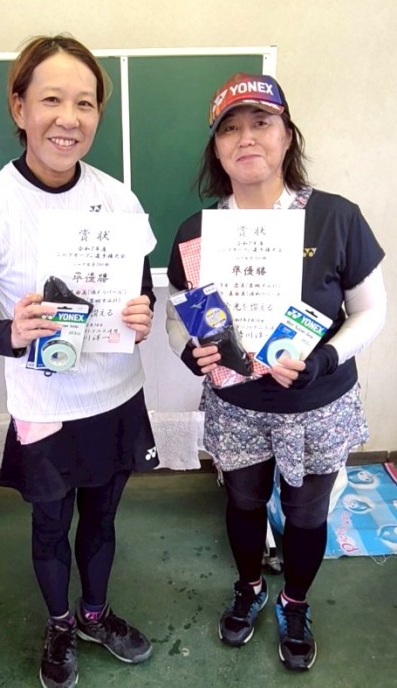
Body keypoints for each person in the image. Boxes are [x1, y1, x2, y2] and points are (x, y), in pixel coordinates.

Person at [0, 34, 158, 688]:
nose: (70, 118)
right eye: (52, 100)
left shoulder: (118, 199)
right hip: (46, 407)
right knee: (50, 523)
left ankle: (94, 614)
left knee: (103, 518)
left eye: (85, 103)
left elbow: (139, 290)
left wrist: (142, 313)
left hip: (116, 395)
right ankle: (60, 622)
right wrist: (12, 333)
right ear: (19, 107)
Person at [166, 72, 386, 671]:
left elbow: (371, 310)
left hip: (320, 402)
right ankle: (250, 587)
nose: (247, 137)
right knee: (243, 502)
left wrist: (326, 357)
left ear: (287, 135)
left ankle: (295, 601)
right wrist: (190, 353)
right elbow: (179, 321)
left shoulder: (336, 217)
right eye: (230, 129)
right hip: (238, 406)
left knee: (308, 513)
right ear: (216, 149)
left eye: (261, 122)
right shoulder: (197, 233)